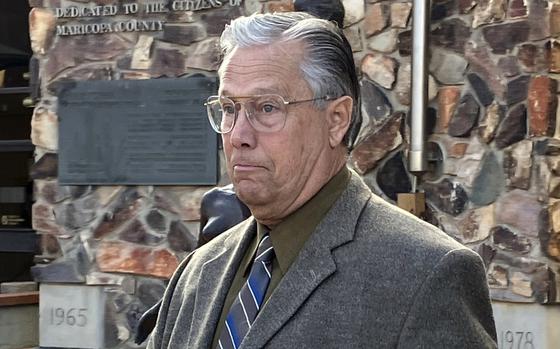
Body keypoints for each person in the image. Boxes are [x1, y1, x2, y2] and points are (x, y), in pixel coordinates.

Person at [147, 12, 497, 348]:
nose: (238, 135)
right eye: (228, 108)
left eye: (267, 107)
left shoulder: (427, 274)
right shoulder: (198, 273)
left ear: (336, 120)